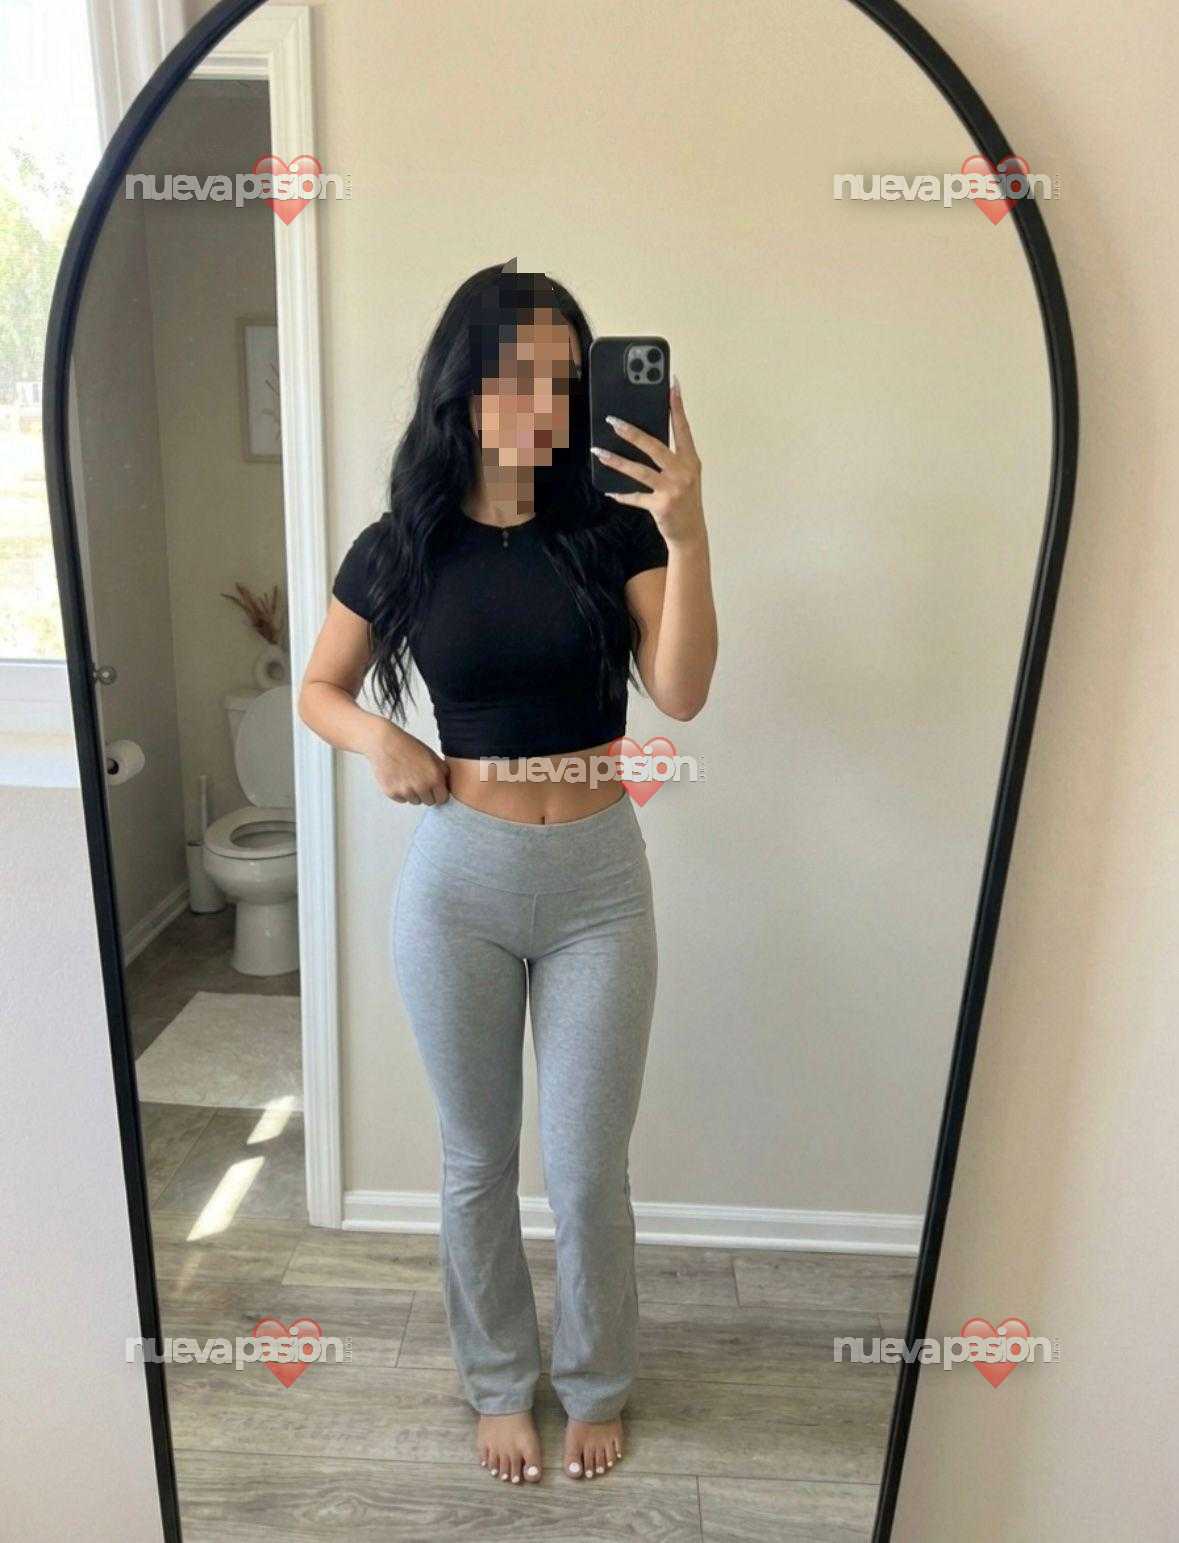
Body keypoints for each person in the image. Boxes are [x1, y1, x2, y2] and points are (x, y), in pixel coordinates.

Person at [298, 263, 717, 1487]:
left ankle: (595, 1381)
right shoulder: (403, 546)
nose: (542, 402)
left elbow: (682, 690)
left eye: (564, 378)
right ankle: (496, 1381)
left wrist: (690, 529)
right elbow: (320, 688)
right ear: (463, 384)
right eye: (516, 374)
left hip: (599, 883)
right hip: (459, 884)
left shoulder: (613, 528)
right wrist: (380, 739)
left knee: (586, 1170)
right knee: (477, 1157)